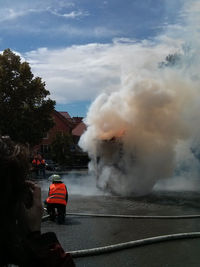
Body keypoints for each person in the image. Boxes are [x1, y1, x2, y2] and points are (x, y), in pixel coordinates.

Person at [0, 136, 75, 267]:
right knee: (58, 210)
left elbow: (50, 196)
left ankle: (53, 216)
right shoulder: (62, 186)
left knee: (52, 209)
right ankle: (56, 216)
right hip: (61, 205)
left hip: (51, 203)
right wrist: (34, 234)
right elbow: (65, 197)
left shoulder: (52, 186)